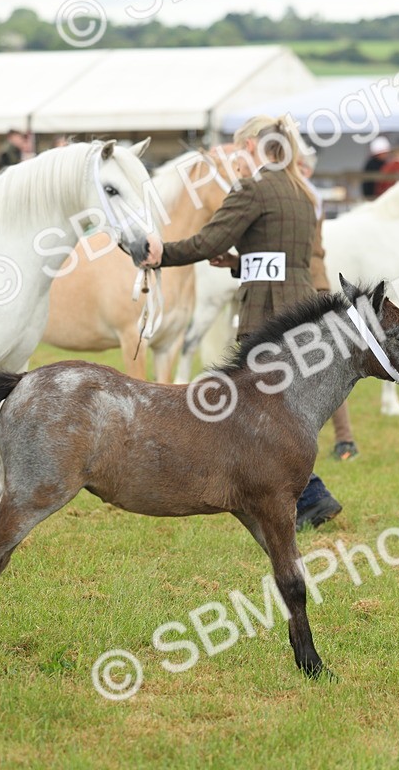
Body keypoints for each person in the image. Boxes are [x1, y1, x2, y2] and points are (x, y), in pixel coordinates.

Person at [153, 115, 346, 530]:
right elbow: (284, 257)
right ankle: (308, 496)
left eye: (240, 148)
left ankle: (303, 495)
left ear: (256, 145)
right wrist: (241, 262)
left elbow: (207, 241)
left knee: (256, 410)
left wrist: (160, 253)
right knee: (283, 409)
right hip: (300, 306)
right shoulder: (300, 192)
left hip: (266, 313)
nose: (236, 159)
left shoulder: (253, 188)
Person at [298, 148, 359, 462]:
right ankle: (344, 439)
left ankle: (344, 438)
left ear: (305, 170)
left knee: (327, 362)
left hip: (308, 283)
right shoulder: (306, 193)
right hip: (312, 281)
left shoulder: (304, 195)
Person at [361, 135, 391, 200]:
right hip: (373, 197)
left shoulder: (386, 163)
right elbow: (368, 186)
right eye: (384, 153)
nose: (386, 155)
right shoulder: (371, 165)